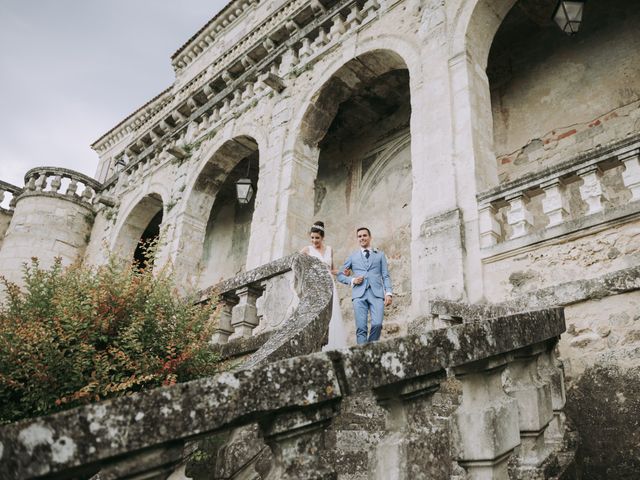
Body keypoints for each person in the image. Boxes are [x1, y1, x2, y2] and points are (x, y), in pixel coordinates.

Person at [337, 227, 392, 344]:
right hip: (359, 295)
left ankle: (371, 348)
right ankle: (362, 355)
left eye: (364, 235)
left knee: (377, 324)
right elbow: (340, 275)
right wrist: (352, 280)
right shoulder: (353, 257)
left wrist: (388, 293)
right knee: (361, 328)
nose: (362, 238)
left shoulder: (380, 255)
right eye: (360, 236)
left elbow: (385, 275)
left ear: (370, 237)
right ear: (357, 239)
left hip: (377, 294)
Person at [301, 221, 348, 349]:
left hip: (329, 284)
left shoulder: (329, 249)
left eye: (317, 238)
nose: (314, 240)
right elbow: (297, 266)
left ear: (322, 237)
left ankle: (333, 345)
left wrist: (343, 272)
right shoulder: (307, 250)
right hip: (316, 285)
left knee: (332, 314)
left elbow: (332, 270)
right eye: (312, 237)